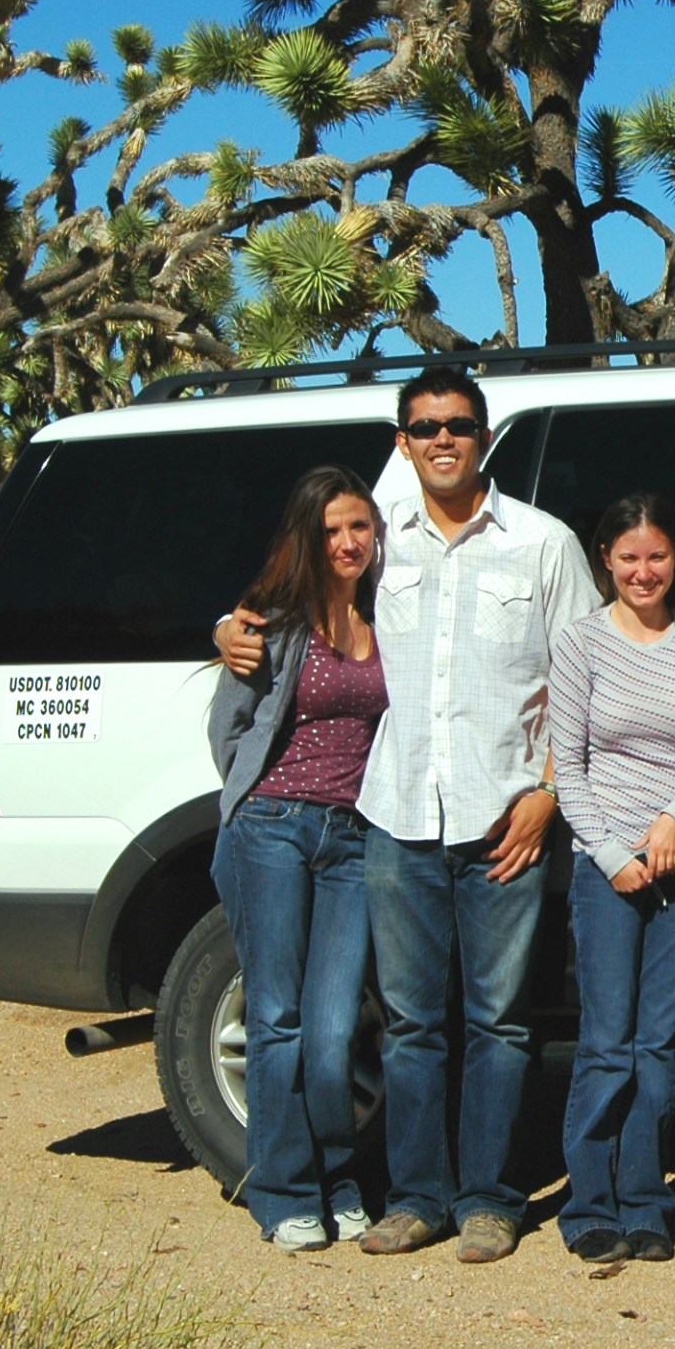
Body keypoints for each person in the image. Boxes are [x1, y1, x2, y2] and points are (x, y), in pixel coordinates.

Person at [218, 368, 597, 1263]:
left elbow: (586, 680)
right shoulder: (377, 540)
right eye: (425, 426)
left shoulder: (544, 544)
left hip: (505, 821)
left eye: (458, 424)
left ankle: (491, 1200)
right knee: (412, 1025)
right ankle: (417, 1196)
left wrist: (548, 795)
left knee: (500, 1024)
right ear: (403, 441)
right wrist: (227, 624)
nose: (443, 439)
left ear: (484, 436)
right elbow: (291, 588)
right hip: (393, 818)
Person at [208, 466, 388, 1252]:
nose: (347, 543)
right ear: (308, 540)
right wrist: (250, 800)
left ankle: (338, 1180)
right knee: (275, 1019)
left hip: (352, 839)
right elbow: (229, 727)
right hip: (272, 829)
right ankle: (283, 1193)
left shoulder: (389, 615)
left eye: (358, 526)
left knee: (334, 1027)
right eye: (331, 530)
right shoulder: (272, 623)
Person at [547, 494, 675, 1265]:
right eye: (629, 558)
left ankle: (646, 1202)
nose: (644, 572)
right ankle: (589, 1204)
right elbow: (568, 765)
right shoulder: (580, 643)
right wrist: (612, 855)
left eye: (658, 556)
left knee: (658, 1045)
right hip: (603, 868)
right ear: (605, 560)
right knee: (607, 1042)